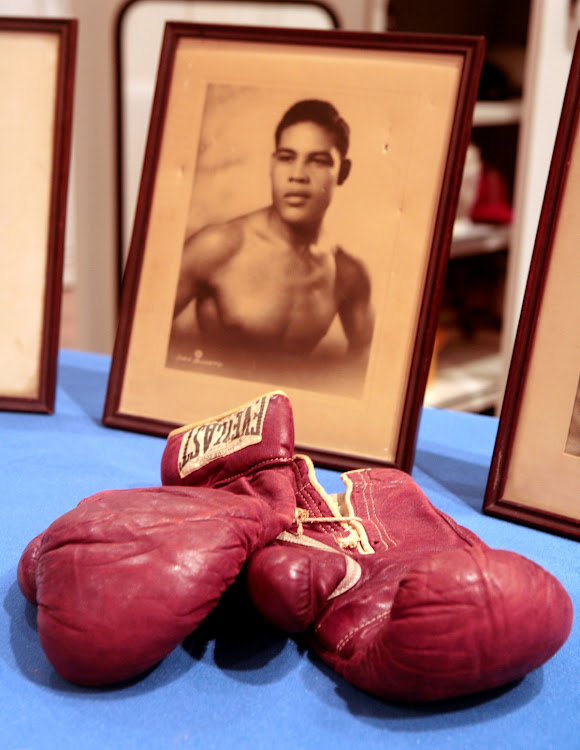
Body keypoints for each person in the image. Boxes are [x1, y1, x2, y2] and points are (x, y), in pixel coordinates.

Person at [168, 98, 375, 369]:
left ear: (343, 172)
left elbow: (363, 369)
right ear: (272, 164)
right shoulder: (219, 246)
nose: (297, 175)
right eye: (286, 158)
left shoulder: (348, 275)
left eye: (318, 161)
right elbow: (141, 334)